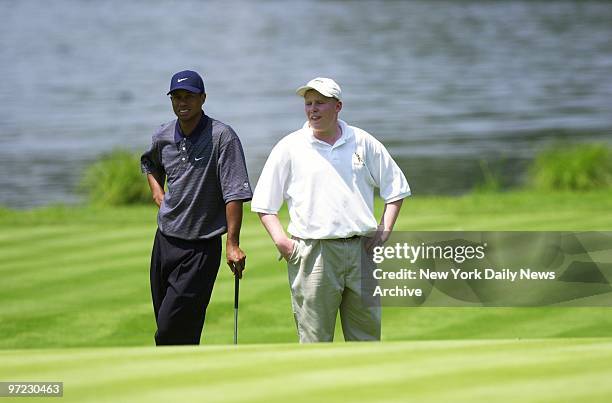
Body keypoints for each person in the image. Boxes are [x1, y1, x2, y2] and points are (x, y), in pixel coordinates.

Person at [251, 77, 411, 343]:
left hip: (362, 252)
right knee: (315, 340)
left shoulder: (362, 142)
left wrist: (385, 229)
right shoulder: (290, 147)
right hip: (313, 253)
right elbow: (264, 204)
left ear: (338, 106)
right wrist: (281, 241)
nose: (313, 109)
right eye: (308, 103)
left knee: (367, 338)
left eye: (320, 103)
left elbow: (396, 188)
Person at [141, 70, 252, 345]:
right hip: (165, 241)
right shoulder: (163, 135)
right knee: (177, 327)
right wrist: (157, 191)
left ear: (203, 98)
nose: (182, 102)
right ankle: (180, 380)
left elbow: (234, 193)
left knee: (169, 329)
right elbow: (150, 163)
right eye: (177, 97)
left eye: (189, 96)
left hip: (201, 247)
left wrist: (233, 244)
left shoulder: (223, 137)